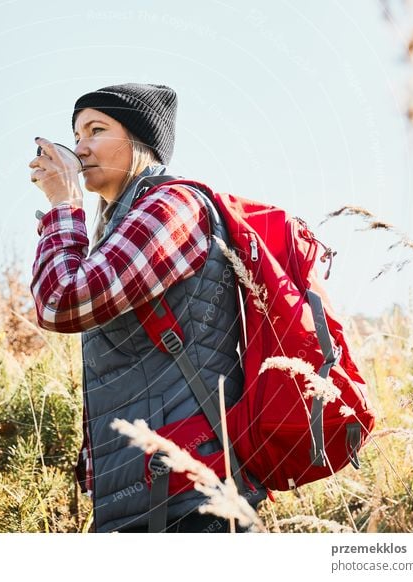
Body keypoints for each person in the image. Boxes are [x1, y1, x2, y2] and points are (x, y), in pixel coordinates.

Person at [28, 83, 264, 533]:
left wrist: (64, 207)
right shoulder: (120, 225)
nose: (80, 148)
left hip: (189, 498)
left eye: (96, 130)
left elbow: (61, 302)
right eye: (76, 135)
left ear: (140, 141)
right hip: (146, 497)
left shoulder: (172, 207)